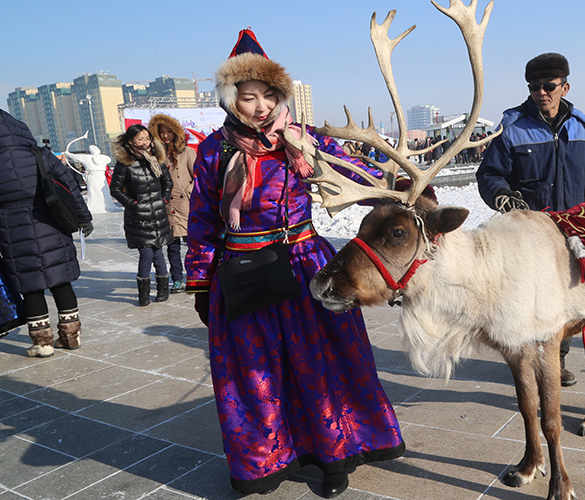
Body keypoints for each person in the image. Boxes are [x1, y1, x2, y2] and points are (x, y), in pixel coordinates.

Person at [185, 29, 404, 497]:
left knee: (322, 364)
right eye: (248, 97)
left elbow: (358, 174)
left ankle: (335, 457)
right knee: (256, 375)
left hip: (306, 264)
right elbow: (201, 220)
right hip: (243, 270)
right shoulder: (214, 151)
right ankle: (265, 461)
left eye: (268, 95)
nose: (260, 107)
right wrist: (202, 281)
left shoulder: (303, 143)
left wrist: (400, 184)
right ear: (230, 99)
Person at [477, 52, 585, 388]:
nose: (541, 92)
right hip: (529, 234)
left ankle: (555, 360)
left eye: (549, 86)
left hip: (572, 230)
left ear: (565, 87)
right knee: (528, 298)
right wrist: (501, 194)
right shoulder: (513, 127)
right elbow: (490, 173)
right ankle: (528, 357)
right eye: (534, 87)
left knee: (565, 299)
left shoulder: (582, 127)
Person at [0, 110, 93, 357]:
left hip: (12, 233)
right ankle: (71, 337)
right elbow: (70, 189)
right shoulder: (40, 155)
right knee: (61, 281)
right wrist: (84, 219)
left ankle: (42, 344)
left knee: (31, 287)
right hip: (52, 225)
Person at [110, 124, 173, 306]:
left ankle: (163, 289)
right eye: (140, 139)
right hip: (138, 217)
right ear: (131, 141)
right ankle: (143, 293)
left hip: (158, 214)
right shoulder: (125, 163)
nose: (145, 142)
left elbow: (167, 182)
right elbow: (115, 189)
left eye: (147, 138)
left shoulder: (156, 159)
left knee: (159, 252)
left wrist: (164, 199)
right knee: (146, 253)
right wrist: (132, 204)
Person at [147, 114, 195, 294]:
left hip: (187, 206)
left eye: (169, 132)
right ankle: (177, 279)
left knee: (193, 245)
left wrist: (188, 191)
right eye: (162, 132)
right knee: (172, 247)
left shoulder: (187, 152)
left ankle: (195, 276)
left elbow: (197, 176)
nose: (166, 136)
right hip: (167, 207)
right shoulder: (155, 156)